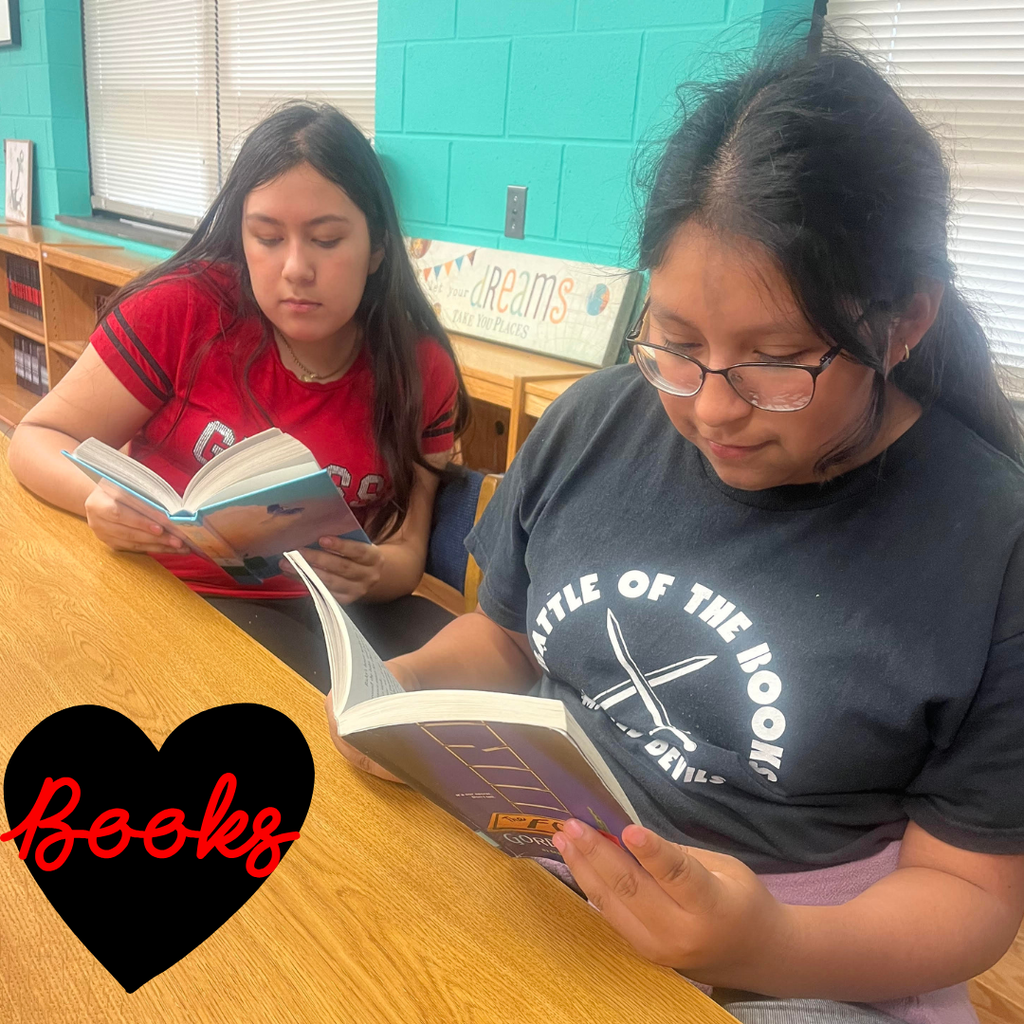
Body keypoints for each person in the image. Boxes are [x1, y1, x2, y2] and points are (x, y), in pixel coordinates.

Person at [325, 42, 1024, 1024]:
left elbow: (971, 897)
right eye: (675, 342)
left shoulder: (991, 544)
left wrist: (759, 943)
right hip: (555, 873)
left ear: (901, 323)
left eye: (774, 361)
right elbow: (503, 638)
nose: (708, 408)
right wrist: (405, 702)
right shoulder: (591, 423)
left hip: (809, 956)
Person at [7, 103, 469, 689]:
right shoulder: (184, 312)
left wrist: (375, 573)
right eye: (268, 238)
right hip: (153, 589)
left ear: (378, 247)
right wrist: (96, 498)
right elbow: (36, 439)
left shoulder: (417, 368)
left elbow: (408, 549)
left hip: (309, 624)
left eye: (327, 240)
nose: (296, 268)